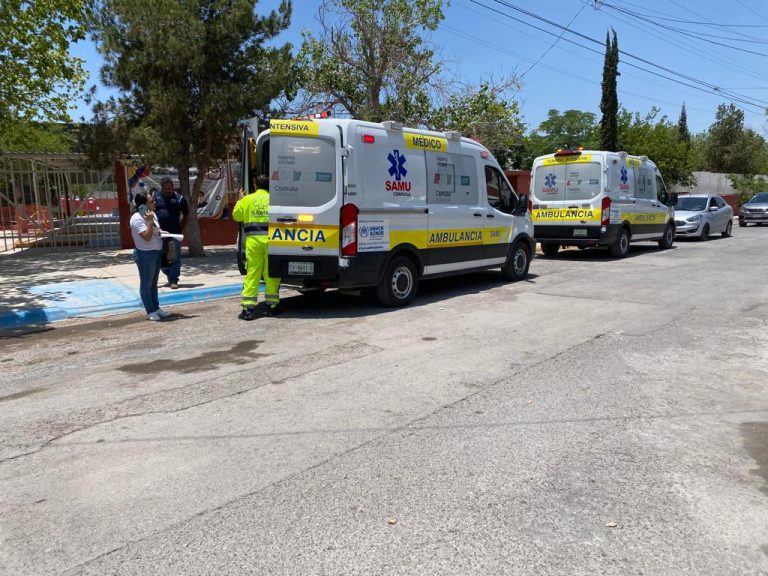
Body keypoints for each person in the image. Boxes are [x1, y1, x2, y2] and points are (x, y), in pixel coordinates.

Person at [232, 175, 281, 320]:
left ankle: (248, 309)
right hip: (272, 240)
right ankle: (272, 306)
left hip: (253, 242)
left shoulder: (247, 199)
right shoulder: (274, 200)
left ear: (255, 185)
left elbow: (236, 216)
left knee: (252, 273)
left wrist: (240, 200)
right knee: (271, 273)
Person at [129, 193, 173, 321]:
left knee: (153, 283)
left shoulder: (152, 215)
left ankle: (156, 307)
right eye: (151, 201)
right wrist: (148, 221)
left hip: (156, 252)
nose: (154, 203)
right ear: (143, 205)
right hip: (145, 254)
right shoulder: (137, 218)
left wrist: (161, 232)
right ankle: (150, 310)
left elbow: (154, 231)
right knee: (146, 284)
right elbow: (147, 237)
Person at [153, 177, 188, 289]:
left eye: (169, 188)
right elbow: (150, 211)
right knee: (161, 257)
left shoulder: (180, 198)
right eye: (165, 188)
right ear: (161, 188)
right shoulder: (156, 197)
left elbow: (186, 214)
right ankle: (169, 273)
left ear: (173, 187)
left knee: (175, 257)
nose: (167, 190)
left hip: (174, 233)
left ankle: (173, 280)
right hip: (159, 234)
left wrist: (182, 227)